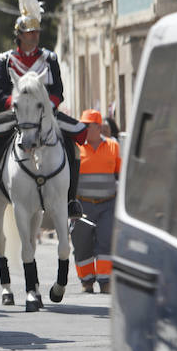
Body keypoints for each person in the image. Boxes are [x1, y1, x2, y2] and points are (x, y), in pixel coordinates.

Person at [0, 0, 88, 218]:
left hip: (46, 112)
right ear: (19, 35)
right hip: (17, 112)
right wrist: (16, 104)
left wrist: (50, 103)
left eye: (37, 32)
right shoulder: (5, 59)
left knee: (73, 142)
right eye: (30, 33)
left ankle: (71, 200)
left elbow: (58, 90)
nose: (35, 36)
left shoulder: (49, 58)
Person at [71, 110, 121, 294]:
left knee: (106, 242)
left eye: (87, 125)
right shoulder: (76, 147)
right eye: (81, 125)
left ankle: (105, 281)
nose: (83, 128)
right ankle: (87, 281)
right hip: (82, 205)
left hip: (108, 204)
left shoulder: (113, 146)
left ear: (98, 127)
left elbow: (119, 173)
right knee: (81, 243)